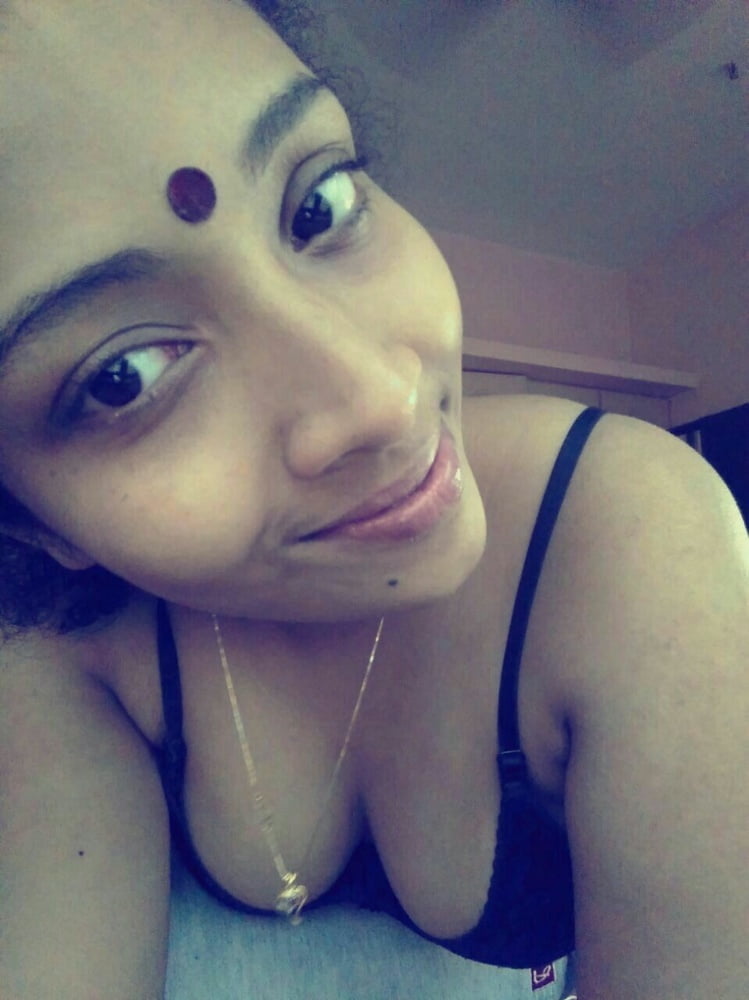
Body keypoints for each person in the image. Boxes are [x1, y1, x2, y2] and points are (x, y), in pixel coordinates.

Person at [0, 1, 746, 998]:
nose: (383, 399)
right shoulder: (65, 654)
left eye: (317, 207)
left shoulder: (625, 526)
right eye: (124, 375)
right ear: (32, 525)